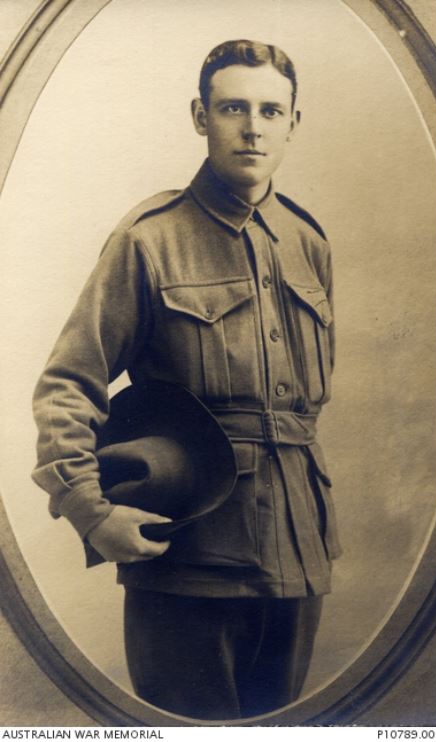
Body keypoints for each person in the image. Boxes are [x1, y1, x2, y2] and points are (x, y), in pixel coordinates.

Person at [32, 39, 342, 720]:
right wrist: (90, 510)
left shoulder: (308, 242)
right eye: (233, 108)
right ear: (202, 117)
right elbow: (67, 384)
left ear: (294, 122)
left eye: (270, 111)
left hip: (300, 553)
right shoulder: (149, 239)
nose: (253, 127)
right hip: (190, 551)